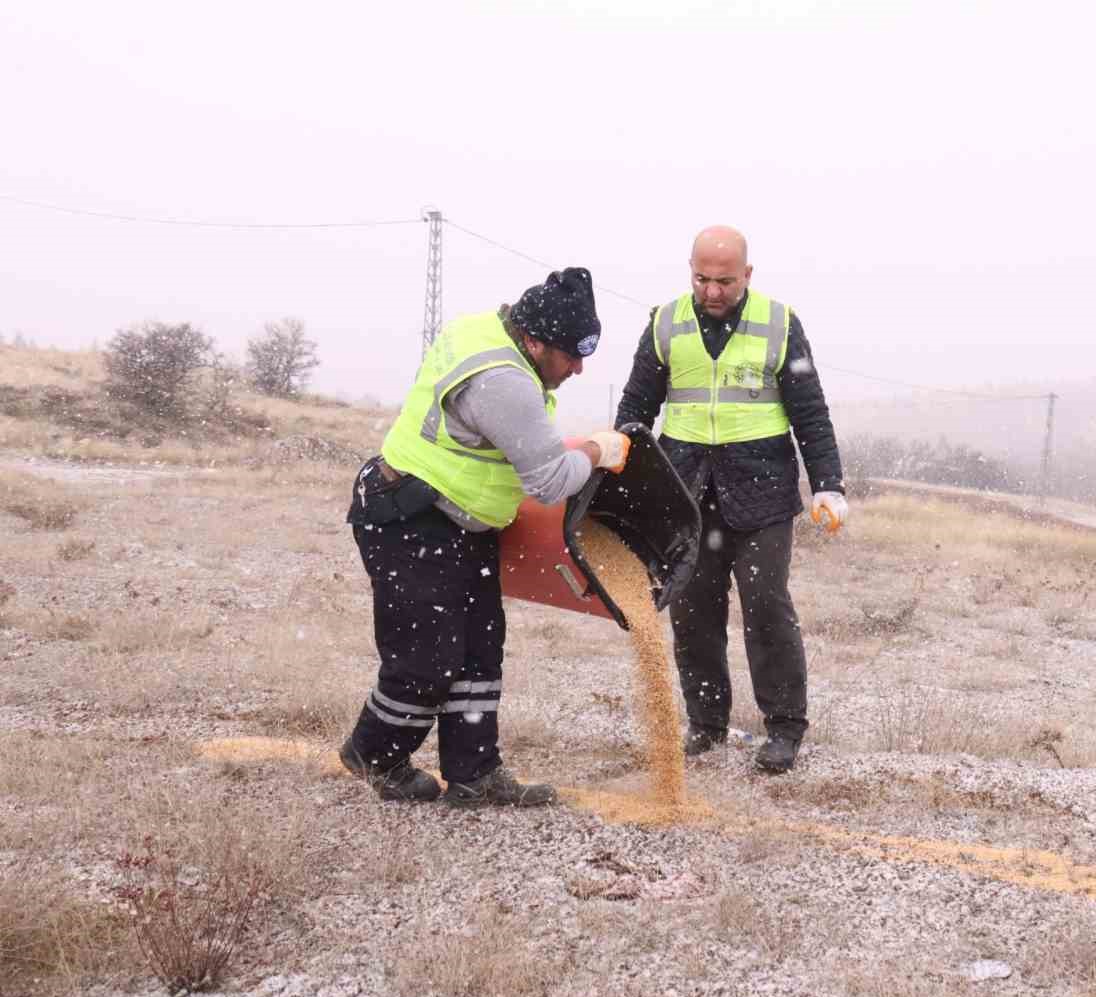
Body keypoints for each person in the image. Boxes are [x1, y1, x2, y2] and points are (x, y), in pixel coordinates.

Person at [340, 268, 631, 806]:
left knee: (478, 648)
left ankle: (475, 773)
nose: (578, 367)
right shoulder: (503, 380)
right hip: (409, 514)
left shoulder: (492, 336)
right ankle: (375, 752)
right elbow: (547, 482)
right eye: (570, 355)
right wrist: (597, 452)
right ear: (535, 340)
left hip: (457, 519)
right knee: (426, 658)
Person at [614, 226, 846, 774]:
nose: (712, 291)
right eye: (701, 279)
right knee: (693, 613)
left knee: (766, 609)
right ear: (689, 270)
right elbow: (635, 410)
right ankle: (706, 723)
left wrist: (828, 484)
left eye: (724, 281)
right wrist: (622, 483)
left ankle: (785, 728)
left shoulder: (779, 324)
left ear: (747, 274)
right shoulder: (665, 323)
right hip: (686, 491)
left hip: (761, 492)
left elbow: (810, 412)